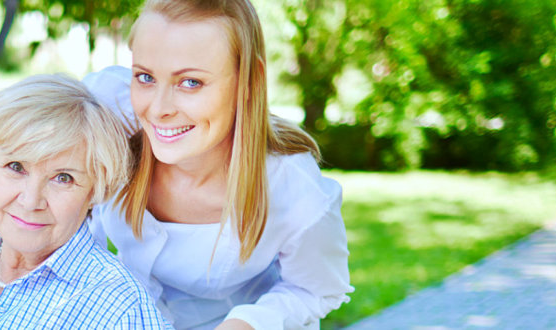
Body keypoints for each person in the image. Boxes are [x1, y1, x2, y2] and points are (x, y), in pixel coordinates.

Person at [82, 0, 353, 329]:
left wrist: (249, 322)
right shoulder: (106, 112)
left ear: (248, 80)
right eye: (145, 77)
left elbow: (316, 290)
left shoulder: (294, 189)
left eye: (191, 82)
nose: (158, 108)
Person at [0, 75, 172, 329]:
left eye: (63, 178)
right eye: (16, 167)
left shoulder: (119, 308)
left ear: (95, 191)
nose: (30, 201)